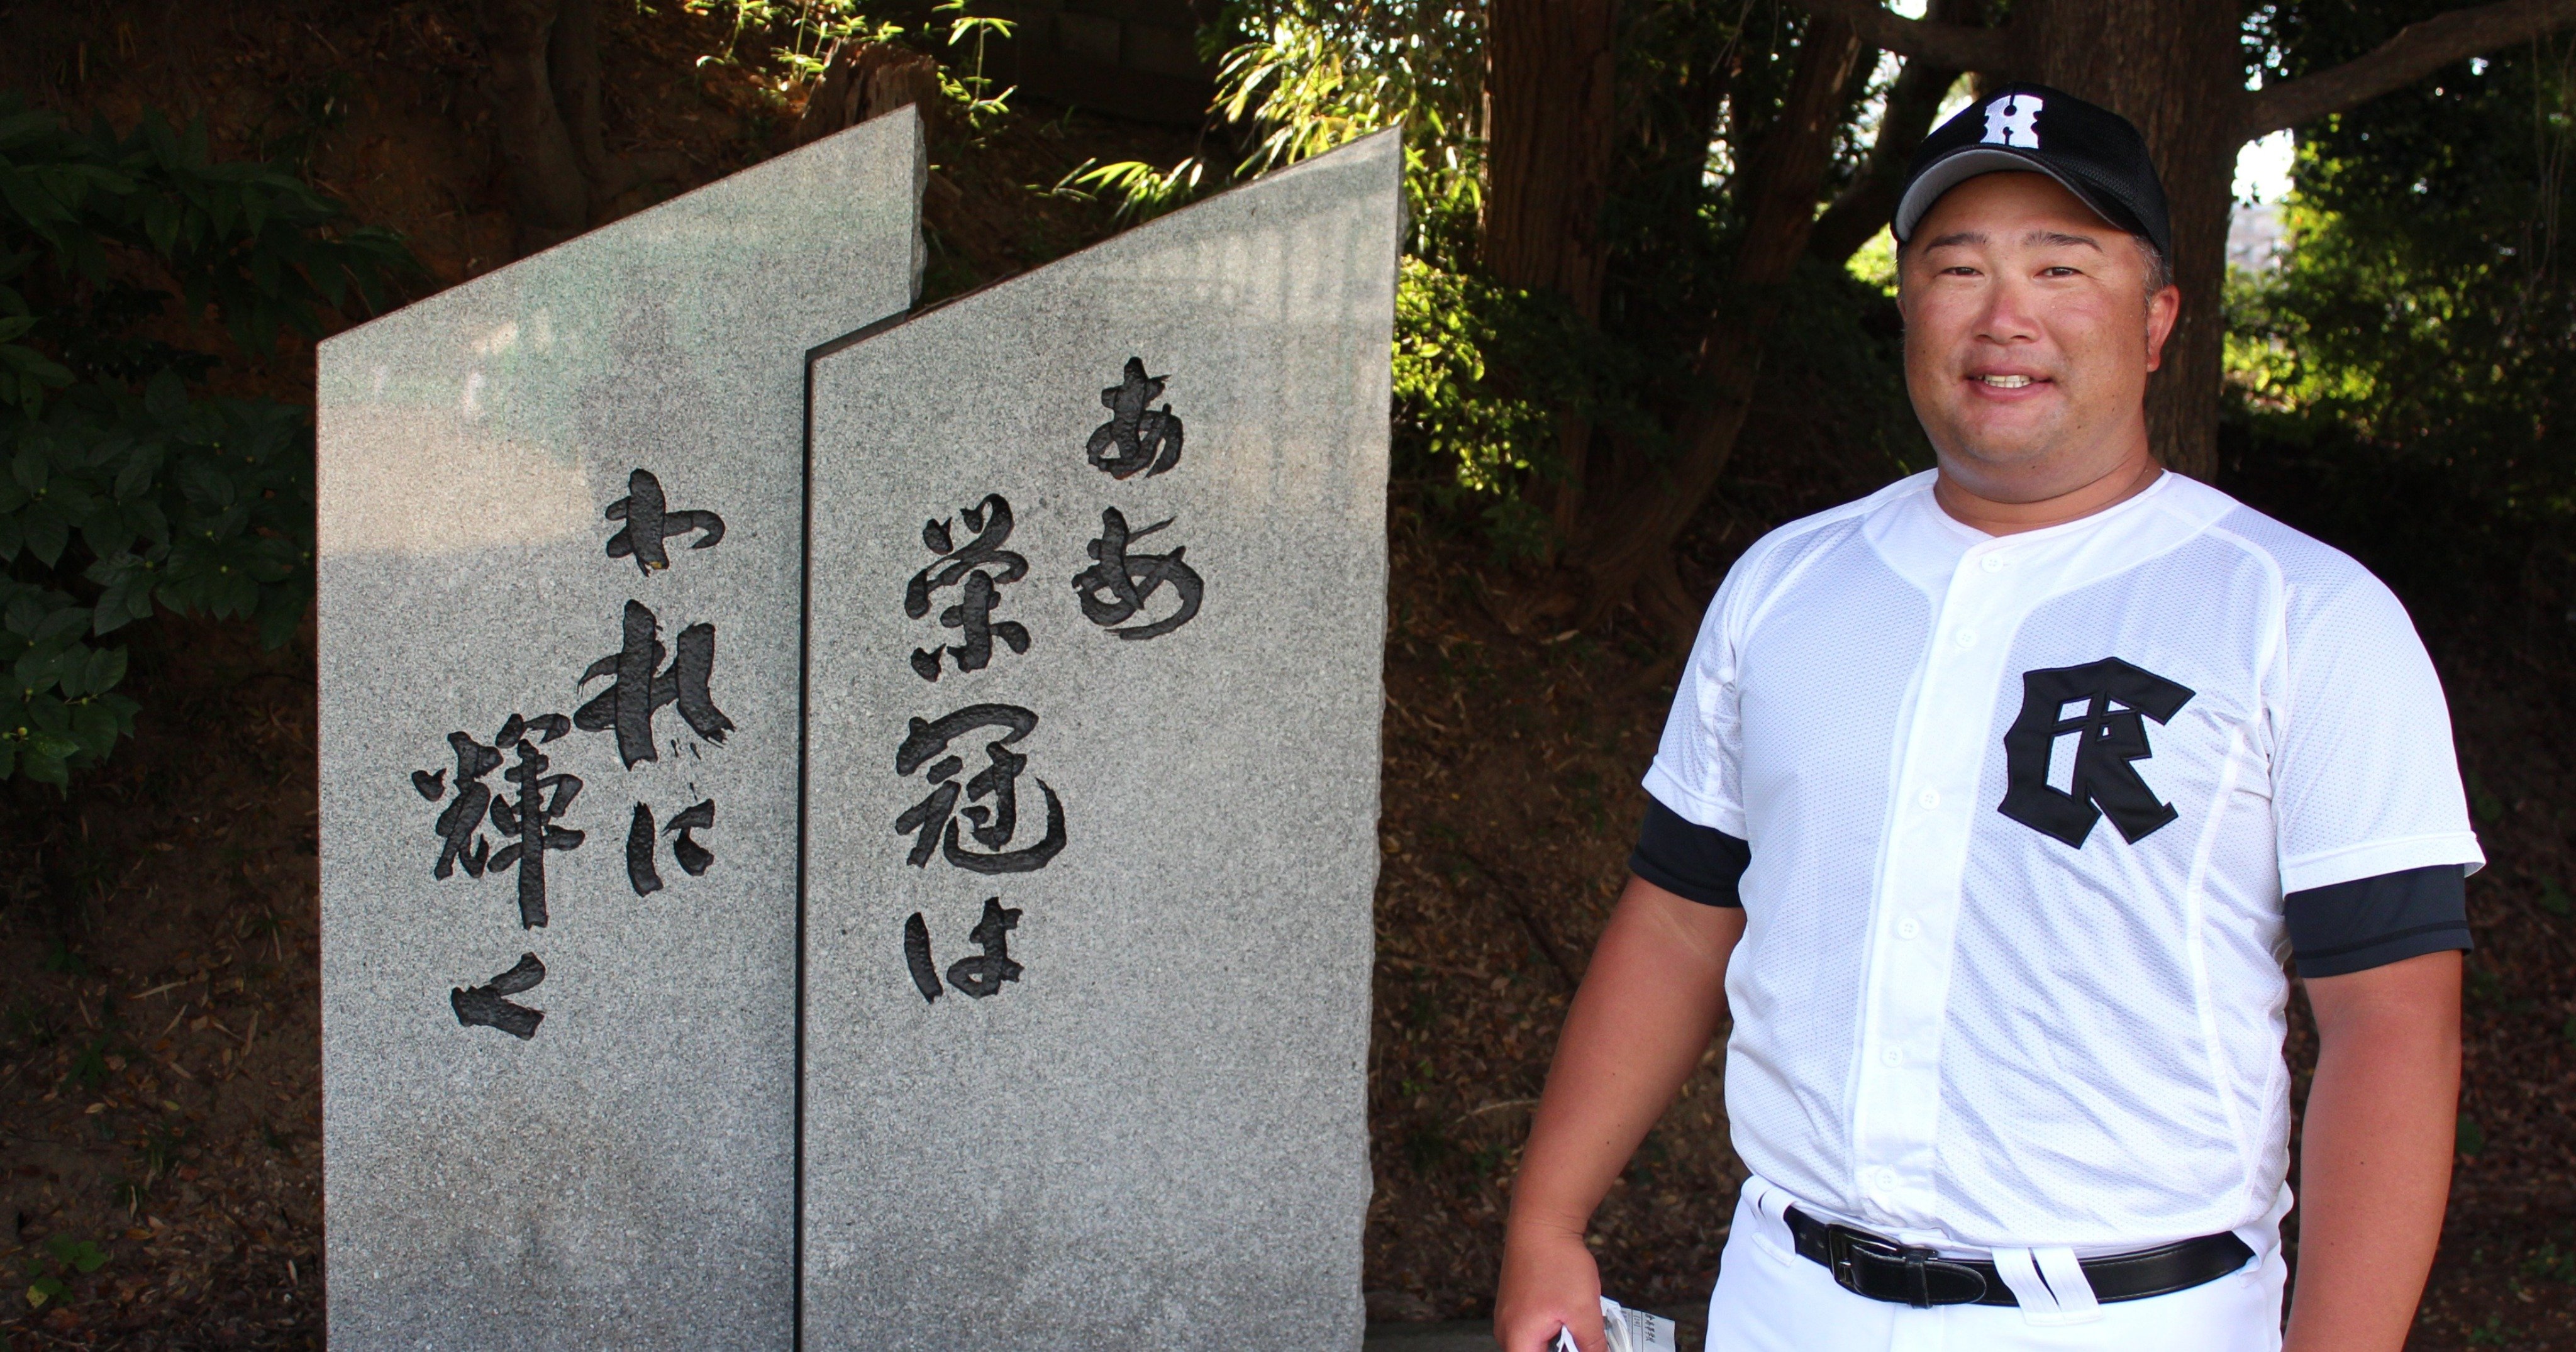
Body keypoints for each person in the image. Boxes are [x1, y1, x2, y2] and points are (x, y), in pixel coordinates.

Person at [1493, 84, 2480, 1352]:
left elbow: (2389, 1020)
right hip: (1785, 1301)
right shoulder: (1787, 584)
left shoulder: (2296, 614)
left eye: (2059, 265)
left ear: (2158, 317)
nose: (2003, 316)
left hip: (2135, 1318)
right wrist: (1545, 1221)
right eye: (1955, 268)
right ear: (1905, 300)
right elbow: (1682, 917)